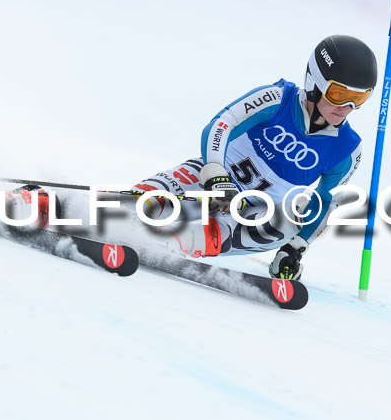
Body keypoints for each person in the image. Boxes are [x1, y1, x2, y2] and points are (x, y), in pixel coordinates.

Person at [131, 35, 378, 280]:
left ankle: (178, 243)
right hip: (213, 183)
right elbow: (220, 125)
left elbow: (325, 203)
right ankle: (124, 213)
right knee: (141, 205)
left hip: (254, 213)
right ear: (315, 82)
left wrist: (296, 248)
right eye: (338, 93)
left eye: (358, 98)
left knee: (287, 222)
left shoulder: (347, 150)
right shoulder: (277, 99)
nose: (346, 107)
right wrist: (216, 174)